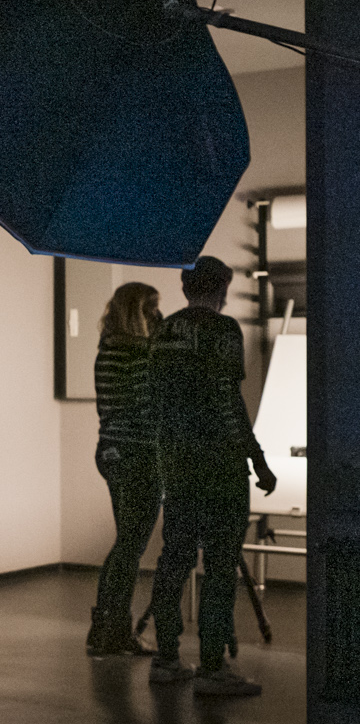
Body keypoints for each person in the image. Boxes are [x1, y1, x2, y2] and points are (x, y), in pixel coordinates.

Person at [143, 256, 278, 695]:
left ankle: (165, 660)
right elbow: (228, 401)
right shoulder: (223, 330)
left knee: (175, 558)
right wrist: (257, 460)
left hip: (176, 460)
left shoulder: (163, 331)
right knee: (220, 565)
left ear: (185, 288)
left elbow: (158, 398)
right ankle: (212, 669)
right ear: (221, 288)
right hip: (219, 461)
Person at [86, 282, 164, 656]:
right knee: (131, 545)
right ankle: (113, 631)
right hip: (139, 454)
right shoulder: (142, 353)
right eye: (152, 310)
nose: (157, 316)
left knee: (126, 544)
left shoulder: (108, 350)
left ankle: (106, 627)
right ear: (138, 312)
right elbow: (151, 405)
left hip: (111, 452)